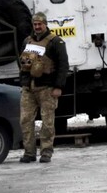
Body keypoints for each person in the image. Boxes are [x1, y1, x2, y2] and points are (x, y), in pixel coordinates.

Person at [19, 12, 69, 163]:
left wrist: (58, 86)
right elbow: (21, 63)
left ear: (45, 24)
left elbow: (63, 65)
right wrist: (24, 82)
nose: (37, 27)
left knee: (47, 122)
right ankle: (29, 152)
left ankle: (46, 151)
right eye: (35, 24)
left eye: (40, 24)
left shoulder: (55, 42)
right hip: (29, 88)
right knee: (25, 120)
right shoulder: (27, 41)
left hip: (47, 88)